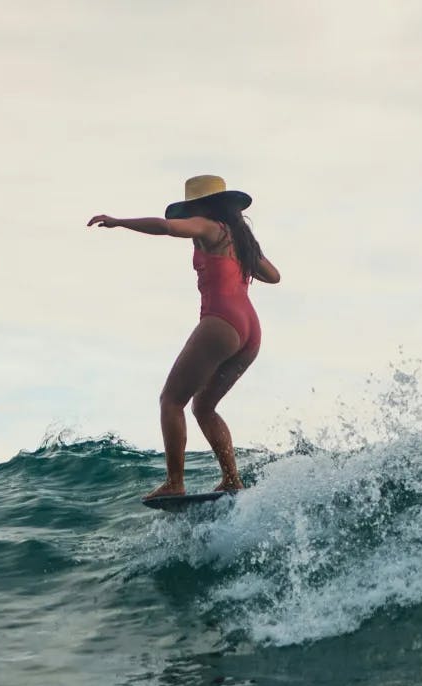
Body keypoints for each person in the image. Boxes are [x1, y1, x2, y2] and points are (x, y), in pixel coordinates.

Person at [87, 175, 280, 500]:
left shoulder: (209, 227)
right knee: (203, 406)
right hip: (250, 329)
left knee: (171, 400)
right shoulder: (239, 238)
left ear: (203, 206)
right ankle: (232, 480)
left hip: (221, 322)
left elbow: (166, 227)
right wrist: (246, 257)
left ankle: (175, 482)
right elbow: (274, 276)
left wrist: (119, 222)